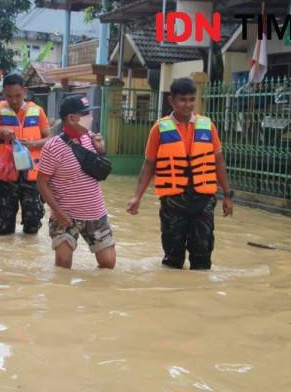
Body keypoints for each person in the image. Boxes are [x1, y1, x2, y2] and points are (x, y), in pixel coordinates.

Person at [126, 77, 233, 270]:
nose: (188, 104)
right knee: (172, 257)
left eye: (192, 99)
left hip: (204, 199)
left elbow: (218, 161)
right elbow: (149, 165)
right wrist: (136, 197)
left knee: (202, 257)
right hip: (173, 200)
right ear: (172, 101)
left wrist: (227, 195)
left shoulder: (208, 126)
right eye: (183, 100)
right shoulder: (159, 129)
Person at [36, 95, 116, 269]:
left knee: (108, 264)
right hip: (65, 216)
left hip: (95, 213)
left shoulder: (92, 138)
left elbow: (101, 172)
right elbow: (41, 183)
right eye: (86, 114)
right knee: (63, 266)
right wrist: (58, 212)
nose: (91, 117)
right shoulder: (53, 147)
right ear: (72, 118)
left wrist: (101, 151)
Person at [0, 73, 49, 236]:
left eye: (18, 95)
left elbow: (50, 139)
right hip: (6, 176)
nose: (14, 100)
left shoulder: (37, 111)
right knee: (5, 226)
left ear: (24, 91)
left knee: (33, 224)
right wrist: (0, 133)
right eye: (9, 96)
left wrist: (34, 144)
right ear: (3, 93)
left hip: (32, 176)